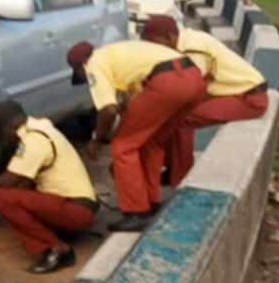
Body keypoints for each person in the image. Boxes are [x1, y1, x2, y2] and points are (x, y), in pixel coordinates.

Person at [0, 102, 98, 273]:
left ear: (8, 129)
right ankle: (56, 233)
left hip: (76, 211)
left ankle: (58, 250)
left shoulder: (34, 141)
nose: (5, 141)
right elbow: (23, 181)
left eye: (2, 137)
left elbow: (9, 180)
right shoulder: (42, 128)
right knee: (15, 193)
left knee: (0, 197)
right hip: (75, 204)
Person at [66, 39, 206, 232]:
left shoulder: (93, 64)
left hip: (167, 83)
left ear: (81, 63)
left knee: (123, 146)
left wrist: (97, 140)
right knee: (152, 141)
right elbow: (134, 104)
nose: (84, 80)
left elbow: (108, 111)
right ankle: (151, 202)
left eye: (80, 75)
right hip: (193, 79)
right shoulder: (116, 52)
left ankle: (136, 212)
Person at [141, 15, 269, 185]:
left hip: (248, 97)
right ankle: (172, 168)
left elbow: (191, 89)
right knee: (172, 114)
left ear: (169, 37)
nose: (151, 48)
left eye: (153, 42)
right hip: (231, 92)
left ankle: (181, 177)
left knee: (183, 119)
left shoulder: (192, 48)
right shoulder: (185, 41)